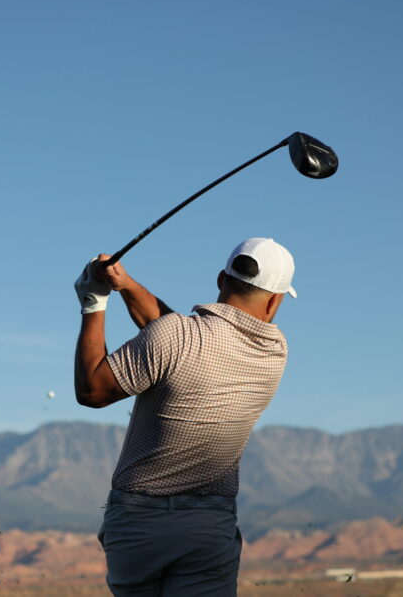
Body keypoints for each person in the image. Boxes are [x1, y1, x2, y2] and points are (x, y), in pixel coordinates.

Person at [72, 237, 296, 596]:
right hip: (209, 527)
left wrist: (93, 303)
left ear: (221, 281)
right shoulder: (275, 352)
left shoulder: (176, 338)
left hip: (137, 525)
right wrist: (126, 285)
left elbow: (93, 392)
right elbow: (177, 339)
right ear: (275, 300)